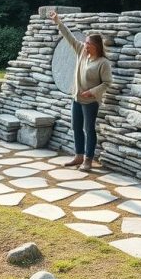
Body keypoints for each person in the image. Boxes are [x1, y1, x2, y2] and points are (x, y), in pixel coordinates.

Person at [48, 10, 114, 171]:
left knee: (89, 129)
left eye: (88, 43)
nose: (85, 45)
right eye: (85, 43)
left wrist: (92, 92)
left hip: (90, 101)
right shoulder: (81, 53)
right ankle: (78, 156)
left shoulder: (103, 62)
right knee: (76, 127)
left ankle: (88, 160)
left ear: (96, 46)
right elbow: (69, 37)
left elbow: (107, 82)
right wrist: (58, 22)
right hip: (76, 98)